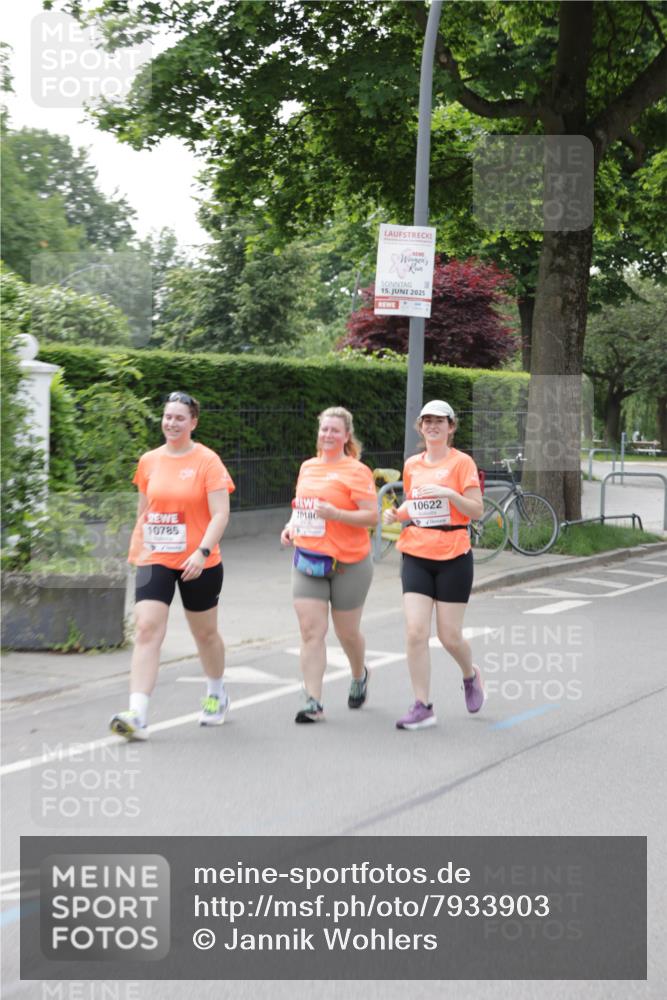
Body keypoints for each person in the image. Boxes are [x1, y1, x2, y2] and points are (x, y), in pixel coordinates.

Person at [110, 391, 235, 740]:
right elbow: (144, 509)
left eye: (180, 418)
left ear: (193, 423)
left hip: (199, 559)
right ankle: (137, 714)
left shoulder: (208, 462)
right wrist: (136, 547)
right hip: (155, 556)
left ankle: (216, 693)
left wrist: (202, 551)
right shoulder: (149, 461)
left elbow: (221, 513)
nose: (171, 423)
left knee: (205, 634)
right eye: (167, 416)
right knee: (147, 629)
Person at [384, 400, 485, 730]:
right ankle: (422, 705)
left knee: (449, 635)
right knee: (415, 631)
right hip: (416, 552)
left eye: (439, 421)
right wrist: (395, 514)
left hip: (454, 554)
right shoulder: (413, 464)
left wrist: (449, 494)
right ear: (420, 427)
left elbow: (476, 510)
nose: (432, 426)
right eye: (427, 421)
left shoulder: (462, 463)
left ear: (451, 426)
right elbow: (416, 505)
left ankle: (470, 675)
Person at [280, 406, 378, 723]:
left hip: (349, 562)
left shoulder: (356, 471)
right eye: (324, 429)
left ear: (346, 436)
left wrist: (337, 515)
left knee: (347, 633)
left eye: (335, 430)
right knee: (311, 631)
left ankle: (358, 673)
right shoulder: (308, 467)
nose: (328, 435)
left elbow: (371, 516)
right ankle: (312, 699)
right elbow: (301, 507)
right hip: (309, 559)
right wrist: (290, 526)